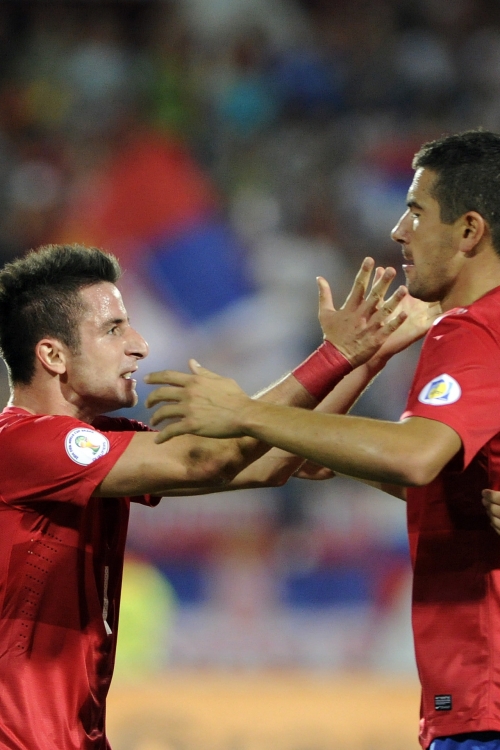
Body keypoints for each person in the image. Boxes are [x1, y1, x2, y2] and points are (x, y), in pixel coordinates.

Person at [148, 129, 500, 750]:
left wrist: (244, 411)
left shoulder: (473, 331)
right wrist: (356, 371)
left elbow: (415, 456)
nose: (398, 230)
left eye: (416, 211)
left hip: (484, 692)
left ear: (469, 230)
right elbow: (436, 478)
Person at [0, 241, 426, 750]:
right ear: (52, 355)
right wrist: (335, 355)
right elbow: (207, 458)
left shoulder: (100, 443)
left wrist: (367, 356)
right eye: (113, 329)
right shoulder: (20, 445)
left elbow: (268, 462)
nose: (139, 345)